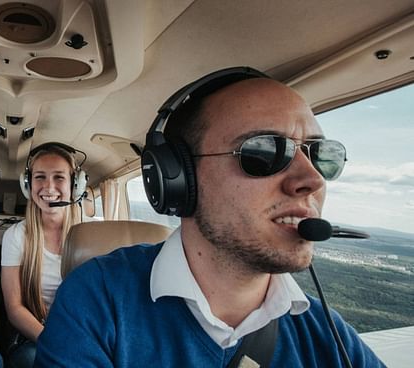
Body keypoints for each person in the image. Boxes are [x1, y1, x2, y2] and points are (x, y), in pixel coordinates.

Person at [35, 67, 383, 367]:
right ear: (178, 180)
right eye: (264, 152)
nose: (312, 180)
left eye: (321, 154)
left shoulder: (329, 337)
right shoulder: (96, 300)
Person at [0, 143, 83, 368]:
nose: (48, 186)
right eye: (39, 177)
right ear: (27, 184)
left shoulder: (91, 234)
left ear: (75, 185)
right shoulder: (16, 236)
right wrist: (56, 343)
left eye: (59, 177)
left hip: (84, 334)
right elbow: (14, 309)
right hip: (35, 336)